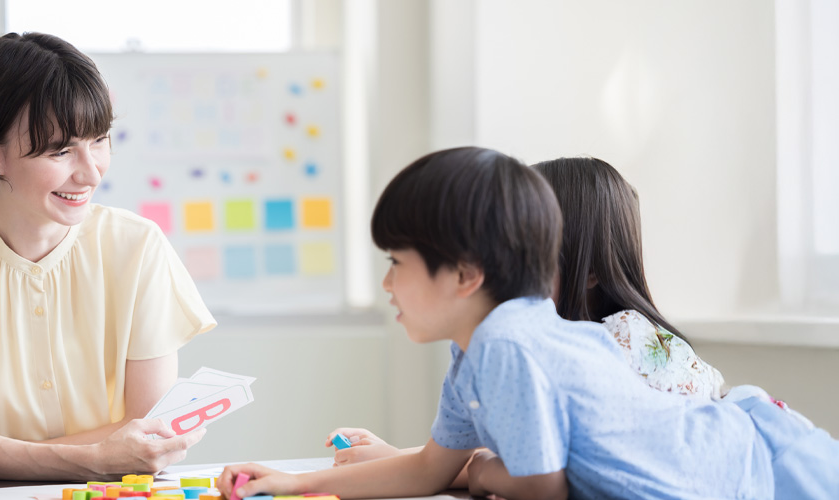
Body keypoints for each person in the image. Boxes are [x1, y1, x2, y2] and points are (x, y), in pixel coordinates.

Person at [217, 147, 838, 499]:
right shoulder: (474, 355)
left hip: (763, 465)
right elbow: (430, 467)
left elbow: (540, 487)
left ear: (464, 275)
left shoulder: (512, 343)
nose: (385, 285)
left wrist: (483, 468)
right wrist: (293, 483)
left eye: (397, 264)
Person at [0, 32, 214, 481]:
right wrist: (98, 456)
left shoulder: (138, 246)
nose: (91, 170)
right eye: (61, 150)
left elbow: (147, 434)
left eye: (99, 140)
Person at [327, 156, 726, 469]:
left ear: (588, 271)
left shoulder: (621, 342)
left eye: (527, 254)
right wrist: (407, 458)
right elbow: (518, 451)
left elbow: (544, 472)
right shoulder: (520, 348)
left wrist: (404, 460)